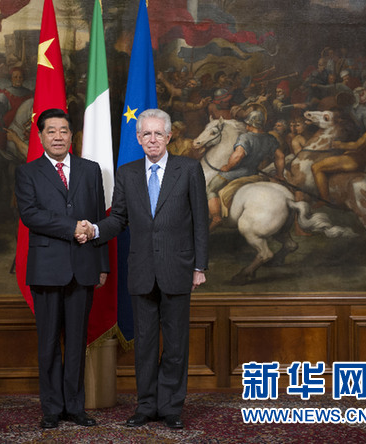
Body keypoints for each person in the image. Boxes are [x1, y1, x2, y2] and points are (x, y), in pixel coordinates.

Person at [79, 108, 209, 429]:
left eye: (158, 133)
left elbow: (201, 222)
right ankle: (146, 406)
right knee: (146, 345)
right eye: (146, 134)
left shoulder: (189, 169)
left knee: (176, 345)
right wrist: (95, 230)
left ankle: (171, 408)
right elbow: (118, 219)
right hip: (141, 271)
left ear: (169, 136)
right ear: (138, 138)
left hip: (178, 269)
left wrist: (200, 266)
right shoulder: (127, 173)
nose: (152, 139)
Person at [14, 108, 109, 429]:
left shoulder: (90, 170)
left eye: (64, 130)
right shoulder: (27, 172)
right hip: (46, 269)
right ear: (41, 136)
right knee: (49, 342)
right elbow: (31, 215)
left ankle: (75, 407)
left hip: (84, 267)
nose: (58, 136)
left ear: (72, 136)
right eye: (51, 131)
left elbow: (100, 218)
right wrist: (72, 227)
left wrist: (102, 264)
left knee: (77, 342)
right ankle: (52, 408)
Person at [207, 109, 282, 231]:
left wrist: (227, 167)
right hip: (254, 172)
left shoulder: (245, 137)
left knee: (211, 189)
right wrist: (280, 174)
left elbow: (238, 156)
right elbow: (280, 156)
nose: (246, 126)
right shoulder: (270, 139)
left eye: (248, 124)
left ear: (251, 124)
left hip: (236, 173)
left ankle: (216, 217)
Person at [311, 112, 366, 204]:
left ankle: (324, 199)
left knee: (316, 167)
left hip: (354, 161)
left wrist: (339, 144)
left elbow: (356, 146)